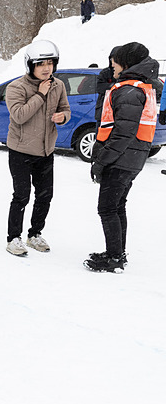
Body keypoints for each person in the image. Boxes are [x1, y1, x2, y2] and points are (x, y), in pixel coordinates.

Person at [85, 43, 159, 272]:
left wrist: (101, 161)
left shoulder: (129, 91)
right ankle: (116, 253)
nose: (112, 67)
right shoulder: (139, 87)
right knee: (117, 206)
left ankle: (114, 258)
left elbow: (122, 134)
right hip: (132, 158)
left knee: (107, 207)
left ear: (126, 63)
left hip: (122, 159)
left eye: (115, 62)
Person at [4, 40, 70, 257]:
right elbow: (19, 115)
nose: (46, 68)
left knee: (45, 196)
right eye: (41, 63)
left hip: (45, 151)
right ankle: (14, 238)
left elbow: (65, 109)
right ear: (30, 65)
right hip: (21, 150)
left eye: (50, 63)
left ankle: (34, 234)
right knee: (21, 196)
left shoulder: (58, 86)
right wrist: (40, 95)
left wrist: (63, 117)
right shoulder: (16, 87)